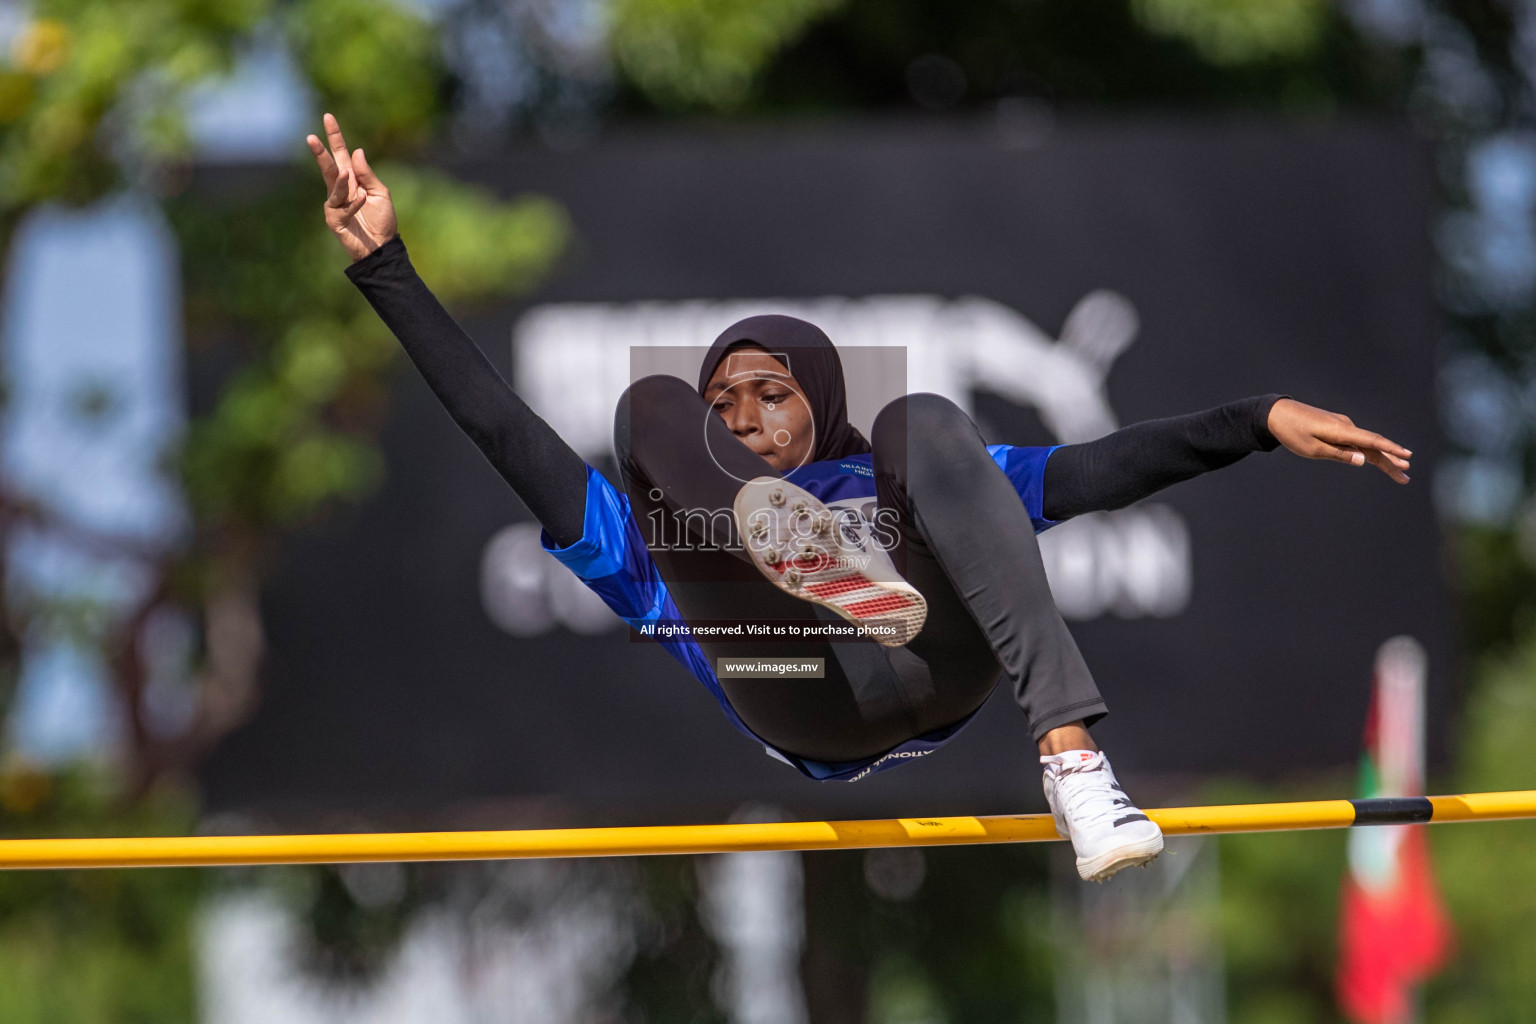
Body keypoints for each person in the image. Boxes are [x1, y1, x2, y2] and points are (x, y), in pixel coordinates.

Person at [306, 114, 1413, 881]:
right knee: (642, 409)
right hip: (799, 689)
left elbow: (1101, 470)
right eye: (724, 403)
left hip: (944, 660)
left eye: (769, 391)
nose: (742, 414)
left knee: (929, 422)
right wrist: (386, 266)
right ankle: (796, 580)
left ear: (817, 396)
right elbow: (502, 426)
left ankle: (1076, 766)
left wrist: (1254, 419)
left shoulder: (892, 464)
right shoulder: (655, 534)